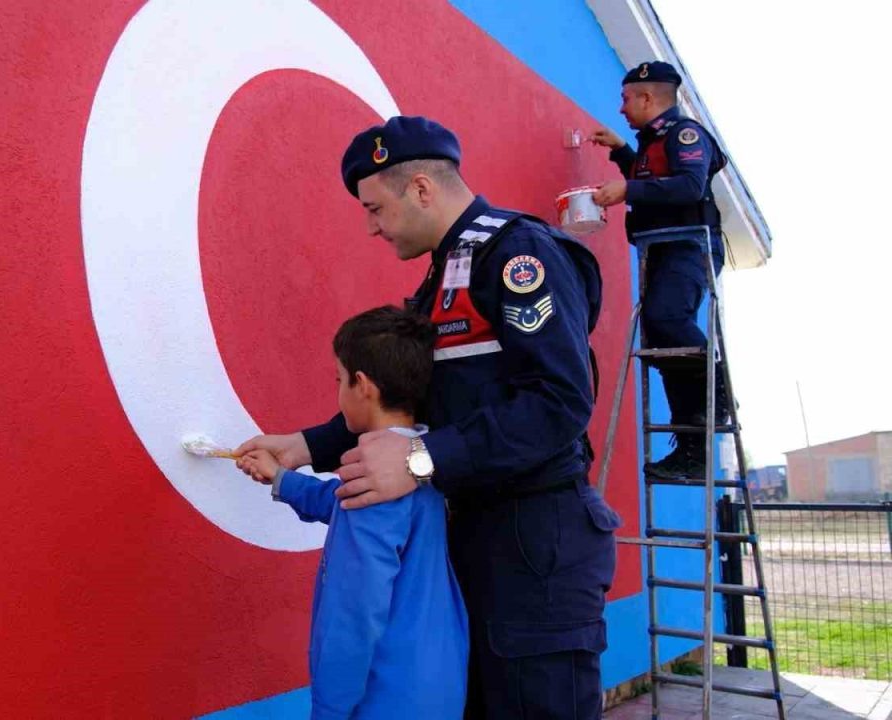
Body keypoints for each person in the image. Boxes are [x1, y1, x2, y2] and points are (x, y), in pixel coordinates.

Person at [237, 116, 620, 719]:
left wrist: (421, 459)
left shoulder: (517, 254)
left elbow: (560, 402)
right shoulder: (445, 276)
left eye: (375, 208)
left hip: (534, 544)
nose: (371, 227)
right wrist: (304, 447)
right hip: (474, 538)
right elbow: (422, 399)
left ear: (420, 188)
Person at [237, 305, 468, 720]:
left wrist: (329, 709)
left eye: (339, 379)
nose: (338, 390)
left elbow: (354, 616)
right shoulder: (417, 463)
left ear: (363, 386)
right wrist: (282, 480)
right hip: (436, 686)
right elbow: (345, 504)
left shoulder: (376, 483)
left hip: (382, 698)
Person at [590, 60, 730, 479]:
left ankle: (719, 397)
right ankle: (691, 449)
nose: (621, 108)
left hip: (690, 246)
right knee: (661, 339)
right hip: (663, 251)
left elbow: (689, 185)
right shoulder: (653, 142)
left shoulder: (685, 134)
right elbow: (654, 176)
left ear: (648, 97)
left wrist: (628, 189)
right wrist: (622, 153)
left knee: (666, 319)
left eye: (626, 99)